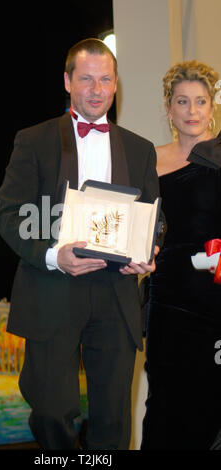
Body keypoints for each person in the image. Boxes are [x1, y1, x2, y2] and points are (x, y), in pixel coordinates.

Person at [0, 38, 161, 450]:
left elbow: (156, 219)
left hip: (116, 292)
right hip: (52, 288)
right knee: (52, 410)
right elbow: (9, 215)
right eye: (86, 79)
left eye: (105, 79)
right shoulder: (33, 140)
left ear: (116, 83)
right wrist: (54, 255)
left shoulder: (140, 149)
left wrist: (148, 250)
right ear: (67, 82)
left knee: (113, 419)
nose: (96, 89)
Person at [141, 60, 221, 450]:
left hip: (215, 295)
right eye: (182, 101)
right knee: (165, 397)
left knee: (211, 400)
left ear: (212, 107)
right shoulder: (148, 160)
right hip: (166, 295)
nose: (192, 111)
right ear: (168, 107)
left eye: (201, 102)